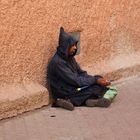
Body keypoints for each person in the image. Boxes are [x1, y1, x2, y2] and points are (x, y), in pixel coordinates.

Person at [47, 27, 117, 111]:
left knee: (98, 81)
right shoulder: (58, 63)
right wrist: (95, 80)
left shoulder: (69, 58)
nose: (75, 48)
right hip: (64, 91)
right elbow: (75, 80)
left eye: (75, 45)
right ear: (65, 46)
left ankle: (87, 100)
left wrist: (97, 79)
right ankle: (62, 101)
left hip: (72, 86)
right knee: (93, 88)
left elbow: (81, 73)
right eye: (72, 45)